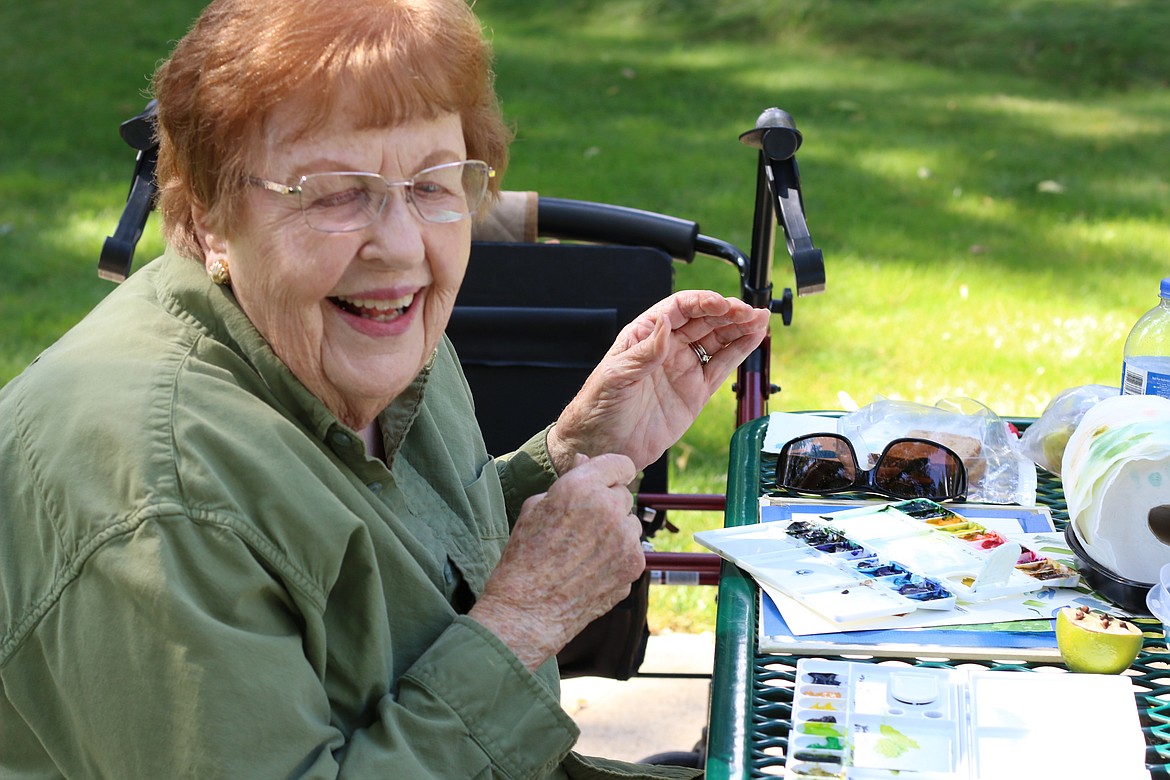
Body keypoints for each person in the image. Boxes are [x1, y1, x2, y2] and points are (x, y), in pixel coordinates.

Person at [0, 0, 770, 776]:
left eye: (436, 185)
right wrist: (527, 618)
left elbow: (380, 589)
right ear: (208, 212)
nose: (403, 249)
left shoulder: (357, 337)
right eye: (336, 192)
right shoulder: (157, 499)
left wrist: (571, 456)